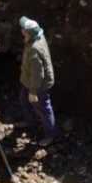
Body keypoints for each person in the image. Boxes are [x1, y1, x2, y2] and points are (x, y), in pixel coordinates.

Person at [18, 16, 56, 147]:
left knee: (44, 109)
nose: (21, 30)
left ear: (27, 33)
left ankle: (50, 135)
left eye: (23, 29)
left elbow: (38, 74)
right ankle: (31, 122)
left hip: (38, 85)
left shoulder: (34, 50)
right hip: (29, 81)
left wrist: (33, 92)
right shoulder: (37, 36)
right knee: (24, 100)